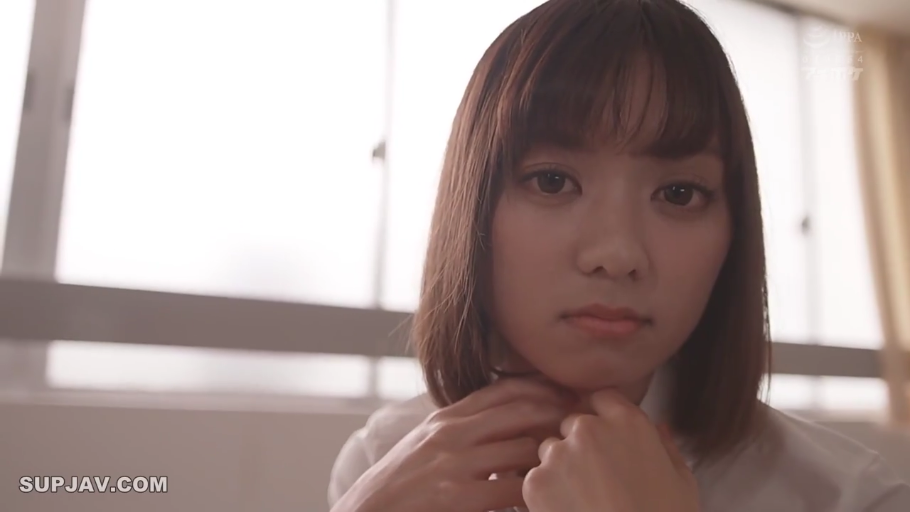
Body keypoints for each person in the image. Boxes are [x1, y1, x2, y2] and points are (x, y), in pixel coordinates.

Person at [327, 0, 910, 511]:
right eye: (552, 181)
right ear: (472, 207)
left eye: (678, 194)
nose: (617, 254)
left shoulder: (849, 498)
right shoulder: (384, 468)